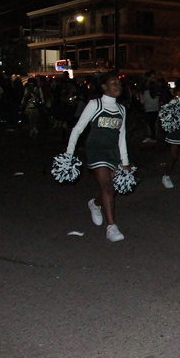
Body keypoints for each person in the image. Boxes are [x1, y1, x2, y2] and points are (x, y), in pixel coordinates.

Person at [64, 73, 132, 242]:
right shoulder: (95, 104)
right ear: (104, 86)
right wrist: (69, 153)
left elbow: (121, 136)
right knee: (107, 186)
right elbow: (78, 128)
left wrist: (125, 163)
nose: (117, 85)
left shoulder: (122, 109)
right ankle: (111, 227)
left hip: (113, 153)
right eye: (113, 82)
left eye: (119, 83)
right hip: (96, 151)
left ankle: (95, 204)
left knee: (112, 187)